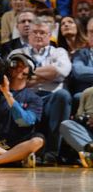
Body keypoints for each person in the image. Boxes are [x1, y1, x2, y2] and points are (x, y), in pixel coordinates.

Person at [10, 17, 72, 164]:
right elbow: (15, 76)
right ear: (28, 35)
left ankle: (51, 153)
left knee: (63, 95)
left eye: (42, 32)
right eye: (35, 32)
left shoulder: (59, 52)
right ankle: (20, 151)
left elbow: (62, 71)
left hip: (51, 97)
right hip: (26, 96)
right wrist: (48, 75)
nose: (38, 35)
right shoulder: (17, 52)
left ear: (50, 35)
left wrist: (29, 73)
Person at [60, 87, 93, 167]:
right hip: (90, 135)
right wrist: (87, 119)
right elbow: (79, 116)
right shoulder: (87, 92)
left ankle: (89, 156)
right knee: (66, 124)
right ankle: (89, 155)